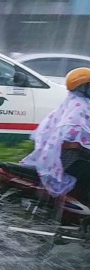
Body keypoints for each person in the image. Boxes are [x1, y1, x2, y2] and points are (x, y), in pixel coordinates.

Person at [21, 67, 90, 201]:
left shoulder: (73, 103)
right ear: (83, 87)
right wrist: (83, 146)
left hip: (63, 156)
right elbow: (73, 137)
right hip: (70, 158)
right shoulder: (79, 106)